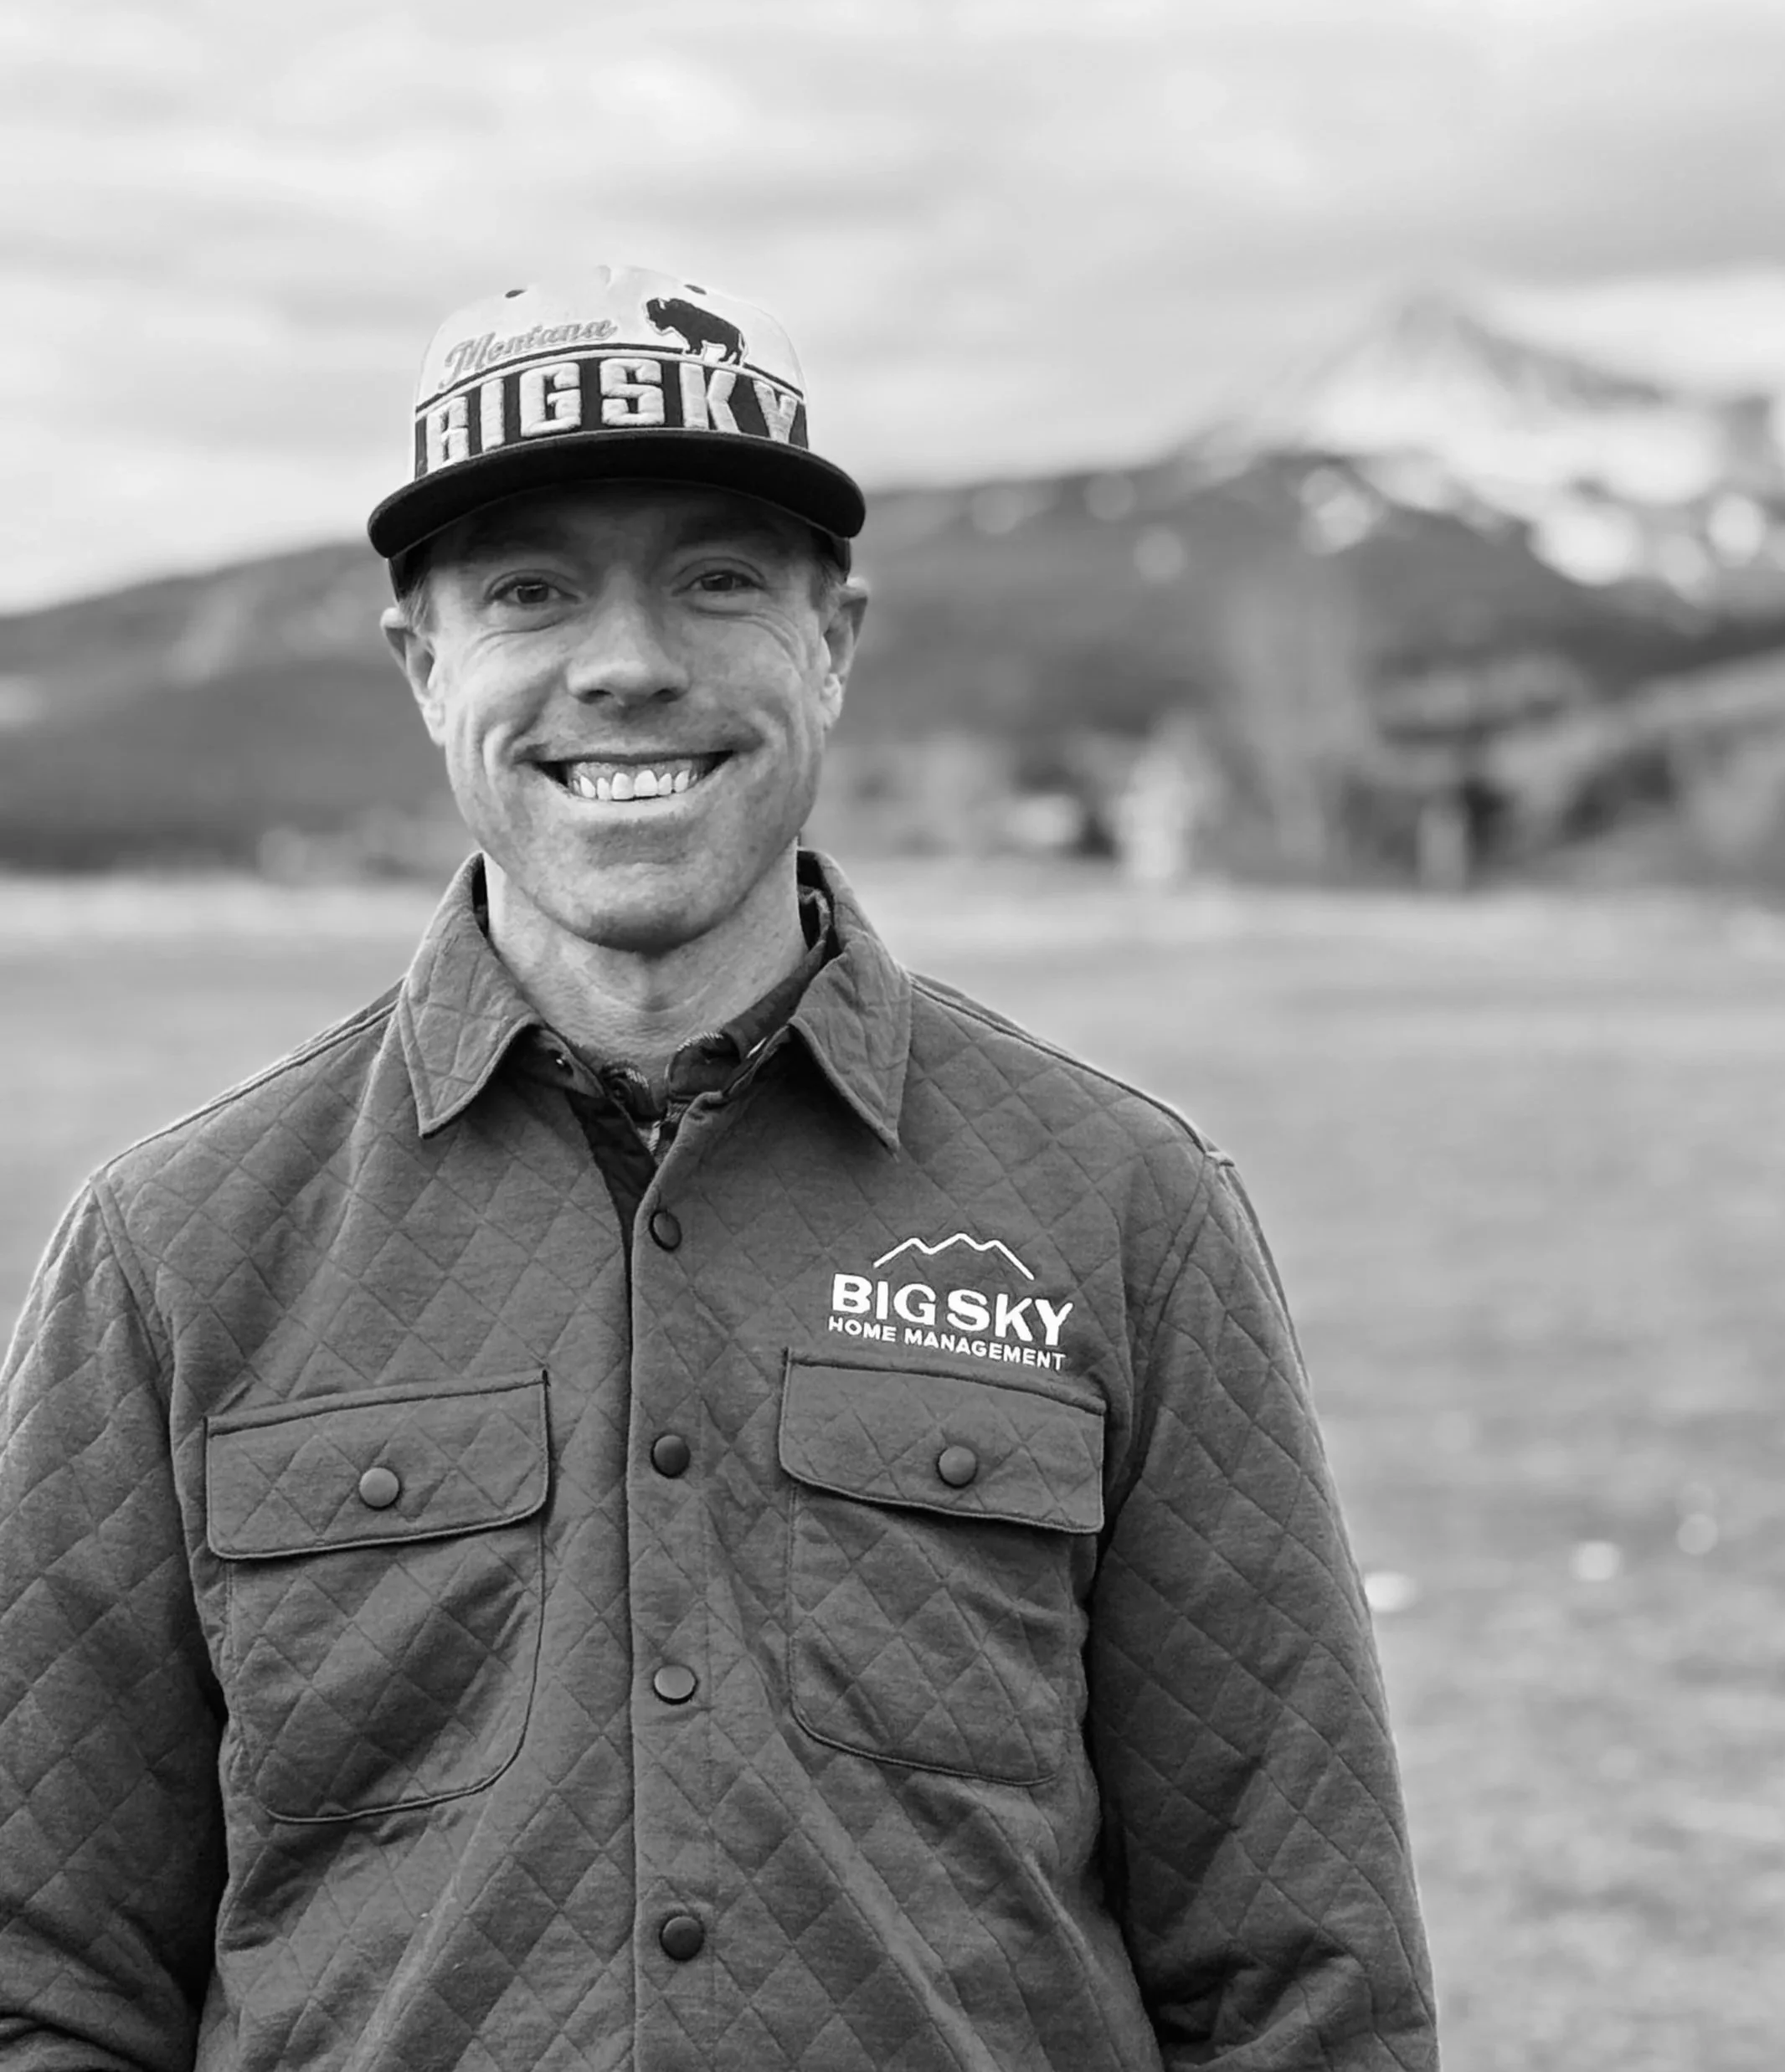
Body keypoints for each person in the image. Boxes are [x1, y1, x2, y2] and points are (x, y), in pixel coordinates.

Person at [0, 265, 1436, 2071]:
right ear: (424, 666)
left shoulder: (1127, 1210)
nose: (627, 662)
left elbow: (1306, 1982)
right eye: (530, 591)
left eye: (717, 580)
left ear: (832, 641)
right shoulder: (173, 1252)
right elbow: (42, 1982)